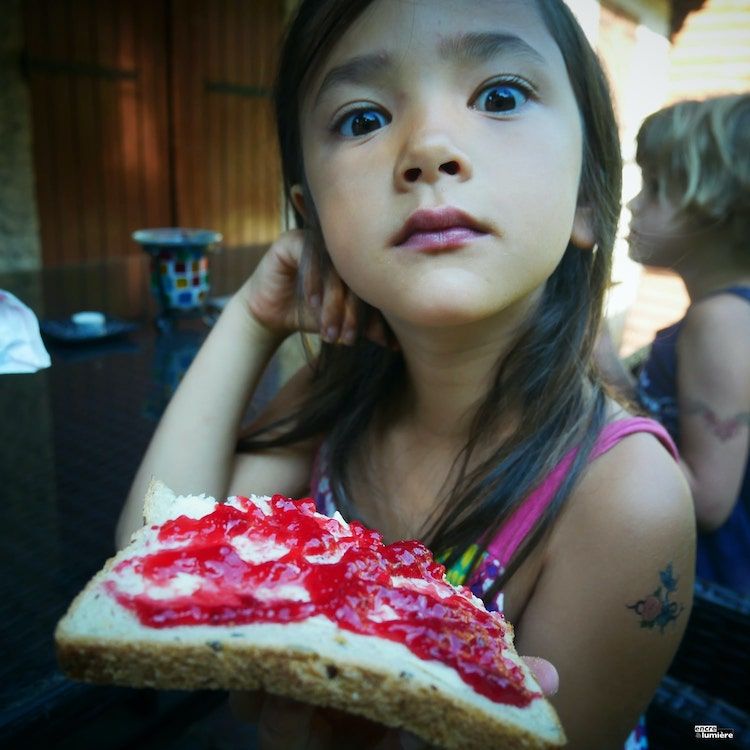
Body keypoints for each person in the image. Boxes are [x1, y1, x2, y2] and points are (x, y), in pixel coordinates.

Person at [116, 1, 695, 747]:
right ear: (313, 218)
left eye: (501, 96)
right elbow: (155, 567)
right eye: (361, 118)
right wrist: (253, 318)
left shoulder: (626, 497)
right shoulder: (338, 399)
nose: (428, 147)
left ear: (588, 197)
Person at [598, 94, 750, 595]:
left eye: (656, 188)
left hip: (710, 599)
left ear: (719, 209)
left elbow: (707, 501)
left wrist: (601, 385)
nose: (633, 203)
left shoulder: (722, 321)